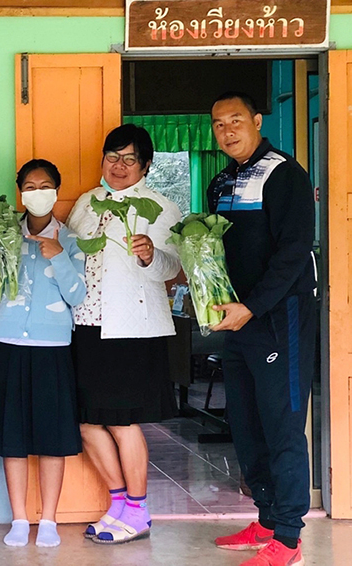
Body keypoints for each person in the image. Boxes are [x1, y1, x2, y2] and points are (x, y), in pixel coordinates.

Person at [207, 92, 316, 566]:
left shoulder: (285, 174)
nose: (227, 130)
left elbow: (293, 252)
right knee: (247, 423)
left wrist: (252, 306)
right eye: (218, 124)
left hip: (278, 319)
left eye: (236, 120)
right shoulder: (220, 182)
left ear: (256, 121)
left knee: (282, 425)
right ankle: (267, 519)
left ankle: (288, 537)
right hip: (238, 321)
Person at [68, 124, 181, 544]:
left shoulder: (161, 207)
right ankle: (118, 504)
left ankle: (138, 509)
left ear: (146, 165)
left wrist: (152, 255)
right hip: (85, 325)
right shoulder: (86, 203)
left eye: (129, 159)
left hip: (131, 329)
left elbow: (175, 268)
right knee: (86, 421)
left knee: (123, 422)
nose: (118, 166)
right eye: (112, 157)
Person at [0, 159, 87, 548]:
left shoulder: (71, 240)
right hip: (8, 345)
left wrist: (58, 254)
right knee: (13, 438)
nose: (38, 193)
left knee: (53, 438)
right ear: (20, 191)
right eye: (30, 186)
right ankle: (19, 519)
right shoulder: (5, 236)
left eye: (45, 186)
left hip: (52, 349)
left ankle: (50, 520)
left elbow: (77, 295)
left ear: (57, 190)